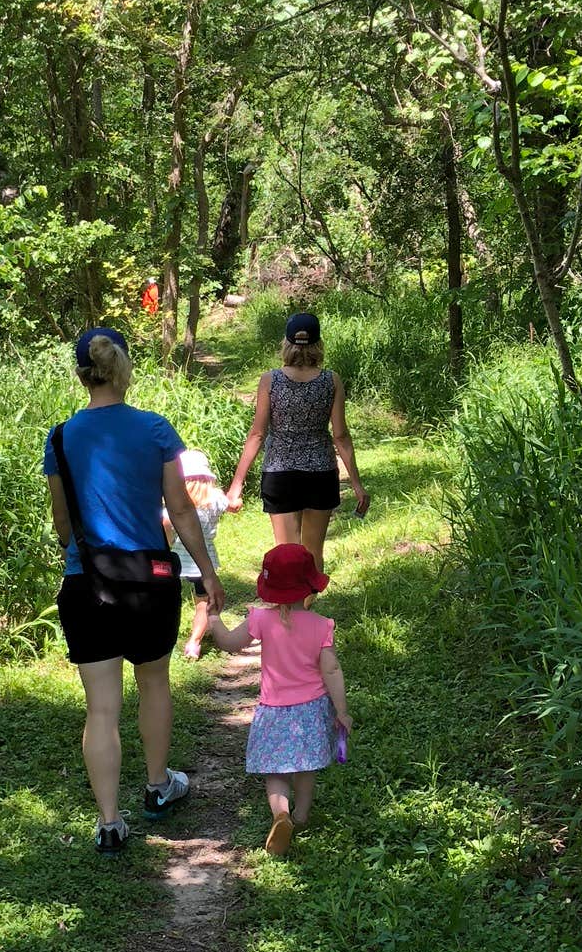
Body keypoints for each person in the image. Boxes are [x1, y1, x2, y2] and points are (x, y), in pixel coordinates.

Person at [45, 326, 226, 855]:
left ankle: (108, 823)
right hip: (149, 582)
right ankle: (157, 787)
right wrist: (209, 575)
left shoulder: (59, 439)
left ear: (83, 375)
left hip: (87, 583)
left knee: (100, 707)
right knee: (153, 682)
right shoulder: (153, 430)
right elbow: (183, 510)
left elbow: (62, 525)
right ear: (124, 370)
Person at [199, 542, 350, 857]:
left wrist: (214, 620)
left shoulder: (261, 620)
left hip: (273, 712)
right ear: (309, 585)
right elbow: (332, 669)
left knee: (276, 772)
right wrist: (342, 711)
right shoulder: (321, 625)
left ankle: (280, 814)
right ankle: (301, 816)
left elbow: (229, 644)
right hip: (311, 711)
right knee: (305, 769)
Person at [225, 311, 369, 571]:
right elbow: (340, 435)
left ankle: (289, 611)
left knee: (287, 554)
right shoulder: (331, 380)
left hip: (280, 474)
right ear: (318, 344)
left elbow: (258, 433)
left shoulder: (270, 380)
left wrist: (236, 485)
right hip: (320, 473)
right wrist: (357, 484)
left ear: (287, 343)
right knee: (313, 554)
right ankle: (306, 609)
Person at [166, 450, 228, 662]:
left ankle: (171, 636)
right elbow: (232, 504)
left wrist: (168, 541)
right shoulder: (217, 499)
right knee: (203, 601)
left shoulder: (175, 505)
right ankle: (195, 641)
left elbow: (165, 522)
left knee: (173, 598)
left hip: (179, 561)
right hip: (204, 563)